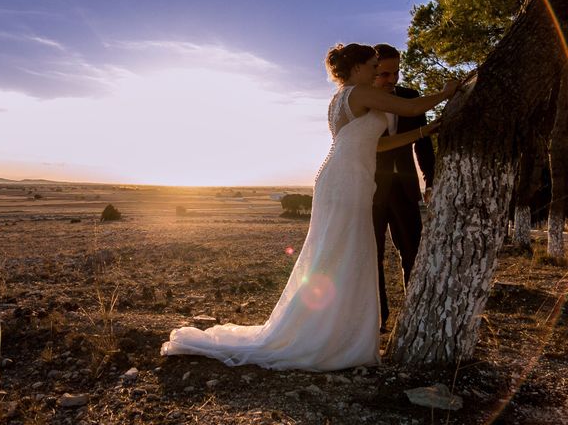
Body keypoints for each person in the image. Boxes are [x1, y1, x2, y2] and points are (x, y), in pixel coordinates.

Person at [160, 43, 458, 371]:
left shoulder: (343, 98)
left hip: (345, 178)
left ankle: (342, 332)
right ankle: (332, 336)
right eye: (374, 65)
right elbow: (413, 107)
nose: (378, 71)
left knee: (343, 254)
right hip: (346, 181)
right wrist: (448, 90)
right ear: (358, 67)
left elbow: (380, 143)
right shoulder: (359, 93)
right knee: (344, 253)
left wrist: (424, 132)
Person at [371, 43, 436, 331]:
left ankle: (415, 316)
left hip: (405, 187)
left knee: (413, 251)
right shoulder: (361, 100)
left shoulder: (410, 98)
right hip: (369, 189)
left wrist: (431, 179)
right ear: (371, 71)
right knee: (371, 255)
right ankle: (377, 319)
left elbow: (423, 144)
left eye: (396, 72)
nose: (393, 79)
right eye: (385, 73)